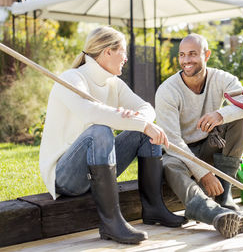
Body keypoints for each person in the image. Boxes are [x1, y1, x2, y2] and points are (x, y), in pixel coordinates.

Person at [39, 26, 186, 245]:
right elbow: (90, 112)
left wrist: (142, 122)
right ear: (108, 51)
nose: (126, 58)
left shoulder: (113, 83)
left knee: (144, 133)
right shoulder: (71, 78)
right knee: (100, 130)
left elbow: (146, 108)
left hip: (95, 172)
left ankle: (154, 208)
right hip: (65, 177)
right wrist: (134, 120)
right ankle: (111, 223)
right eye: (123, 52)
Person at [155, 33, 243, 238]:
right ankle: (214, 215)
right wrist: (204, 173)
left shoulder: (220, 78)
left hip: (210, 144)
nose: (186, 60)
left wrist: (221, 114)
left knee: (238, 118)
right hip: (180, 152)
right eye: (182, 55)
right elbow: (173, 142)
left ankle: (224, 198)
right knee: (168, 165)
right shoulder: (167, 91)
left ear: (207, 55)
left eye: (193, 54)